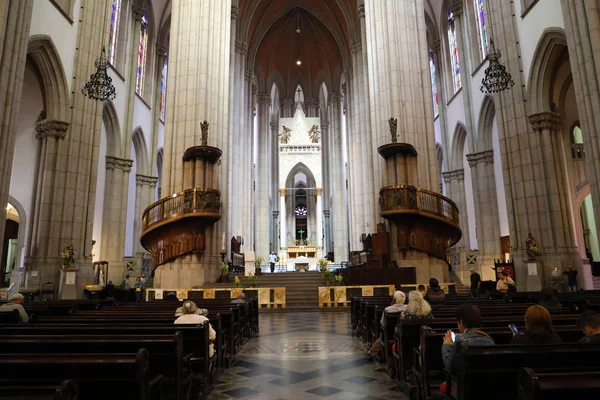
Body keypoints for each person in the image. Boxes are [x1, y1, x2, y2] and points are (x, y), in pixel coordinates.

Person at [441, 304, 495, 394]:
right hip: (486, 389)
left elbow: (449, 367)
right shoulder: (489, 340)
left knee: (443, 386)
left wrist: (446, 345)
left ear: (461, 322)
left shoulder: (460, 341)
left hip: (465, 390)